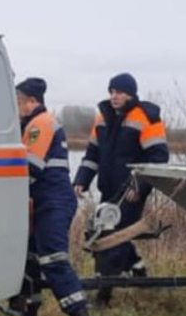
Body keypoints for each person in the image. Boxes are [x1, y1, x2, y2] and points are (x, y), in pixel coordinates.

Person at [8, 77, 100, 316]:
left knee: (53, 260)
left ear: (32, 101)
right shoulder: (31, 124)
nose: (15, 106)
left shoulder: (41, 124)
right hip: (41, 202)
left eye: (18, 101)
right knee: (31, 260)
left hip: (53, 203)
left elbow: (30, 168)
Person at [71, 72, 169, 303]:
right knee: (107, 232)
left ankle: (104, 295)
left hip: (131, 192)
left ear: (131, 94)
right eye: (112, 91)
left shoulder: (146, 118)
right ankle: (138, 269)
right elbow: (92, 154)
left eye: (120, 92)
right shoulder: (102, 118)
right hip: (108, 188)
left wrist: (140, 187)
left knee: (111, 237)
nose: (114, 96)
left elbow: (158, 158)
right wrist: (81, 180)